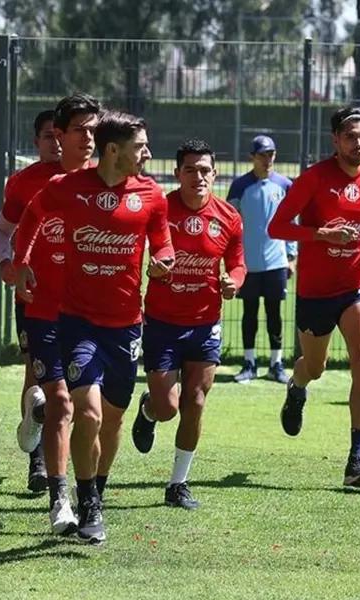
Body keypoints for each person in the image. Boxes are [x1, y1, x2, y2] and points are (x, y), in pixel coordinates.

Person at [15, 111, 173, 545]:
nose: (147, 153)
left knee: (112, 422)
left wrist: (163, 266)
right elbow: (31, 217)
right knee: (87, 411)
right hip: (76, 322)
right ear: (113, 150)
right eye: (140, 146)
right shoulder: (67, 188)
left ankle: (96, 489)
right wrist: (22, 261)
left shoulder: (152, 195)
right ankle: (86, 503)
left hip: (126, 327)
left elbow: (164, 246)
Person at [268, 105, 360, 489]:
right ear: (335, 139)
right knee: (316, 367)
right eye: (352, 137)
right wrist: (321, 234)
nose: (359, 144)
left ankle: (356, 459)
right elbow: (277, 227)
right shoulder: (313, 179)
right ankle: (297, 386)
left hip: (358, 284)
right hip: (316, 291)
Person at [0, 99, 97, 497]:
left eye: (61, 135)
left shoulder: (104, 179)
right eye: (50, 136)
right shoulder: (26, 182)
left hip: (89, 307)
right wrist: (7, 265)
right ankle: (40, 462)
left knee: (81, 394)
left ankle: (79, 475)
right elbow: (0, 232)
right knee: (40, 381)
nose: (57, 143)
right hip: (36, 300)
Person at [131, 139, 244, 510]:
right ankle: (149, 409)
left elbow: (238, 264)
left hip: (205, 323)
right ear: (178, 173)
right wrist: (152, 269)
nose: (199, 176)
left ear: (215, 174)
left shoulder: (229, 217)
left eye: (205, 170)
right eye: (190, 170)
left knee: (195, 400)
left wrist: (234, 282)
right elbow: (136, 252)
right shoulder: (159, 208)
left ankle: (177, 484)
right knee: (169, 408)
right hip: (162, 322)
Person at [226, 135, 295, 384]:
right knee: (250, 313)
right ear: (252, 157)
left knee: (275, 314)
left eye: (271, 154)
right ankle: (249, 362)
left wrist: (291, 256)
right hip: (249, 264)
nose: (268, 160)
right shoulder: (240, 186)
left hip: (276, 263)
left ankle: (276, 363)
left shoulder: (285, 185)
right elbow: (230, 224)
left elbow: (291, 223)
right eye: (263, 155)